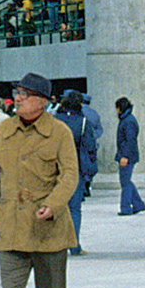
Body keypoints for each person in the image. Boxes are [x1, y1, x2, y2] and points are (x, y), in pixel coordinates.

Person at [0, 71, 78, 288]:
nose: (17, 99)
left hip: (49, 230)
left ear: (42, 101)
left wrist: (54, 203)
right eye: (17, 93)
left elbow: (70, 175)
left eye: (24, 94)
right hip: (11, 228)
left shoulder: (60, 132)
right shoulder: (3, 130)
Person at [53, 92, 96, 255]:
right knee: (75, 208)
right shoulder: (83, 122)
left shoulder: (55, 121)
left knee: (56, 205)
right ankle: (74, 244)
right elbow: (90, 146)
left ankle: (56, 243)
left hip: (56, 167)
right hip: (75, 167)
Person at [114, 97, 145, 216]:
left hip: (127, 155)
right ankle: (138, 204)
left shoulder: (128, 121)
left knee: (125, 182)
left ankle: (126, 207)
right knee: (126, 180)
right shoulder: (128, 120)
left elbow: (129, 140)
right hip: (127, 154)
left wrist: (125, 156)